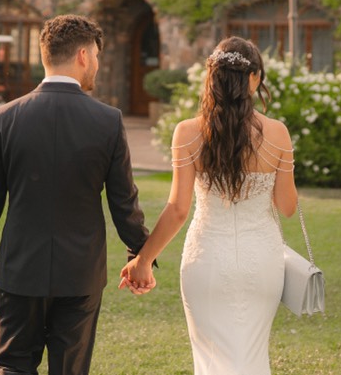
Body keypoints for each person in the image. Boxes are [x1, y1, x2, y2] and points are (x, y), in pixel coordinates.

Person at [0, 14, 152, 375]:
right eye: (96, 56)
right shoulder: (108, 120)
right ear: (82, 55)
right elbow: (124, 203)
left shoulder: (6, 117)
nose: (97, 65)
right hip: (80, 273)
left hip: (21, 269)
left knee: (14, 367)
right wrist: (140, 255)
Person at [120, 37, 297, 375]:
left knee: (211, 360)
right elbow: (287, 206)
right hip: (262, 261)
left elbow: (178, 210)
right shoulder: (278, 133)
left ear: (212, 77)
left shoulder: (187, 132)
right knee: (252, 355)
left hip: (206, 260)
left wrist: (143, 261)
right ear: (254, 78)